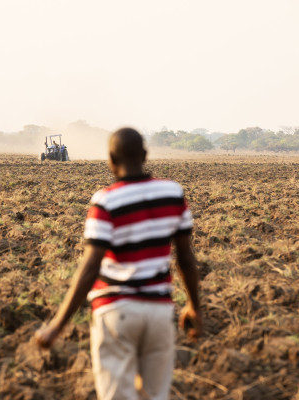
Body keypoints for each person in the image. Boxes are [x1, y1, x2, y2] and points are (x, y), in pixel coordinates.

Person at [35, 127, 202, 400]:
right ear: (145, 155)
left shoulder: (106, 201)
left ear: (111, 160)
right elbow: (186, 259)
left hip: (116, 312)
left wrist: (57, 324)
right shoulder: (173, 193)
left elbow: (90, 268)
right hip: (160, 312)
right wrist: (195, 306)